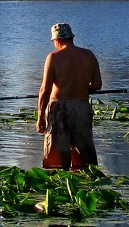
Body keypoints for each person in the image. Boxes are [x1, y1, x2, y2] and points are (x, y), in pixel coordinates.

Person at [37, 22, 102, 169]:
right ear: (71, 37)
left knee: (56, 158)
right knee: (85, 156)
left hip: (59, 108)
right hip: (82, 107)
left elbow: (44, 90)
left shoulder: (53, 57)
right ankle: (86, 181)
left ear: (57, 40)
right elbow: (97, 85)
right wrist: (79, 87)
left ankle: (58, 183)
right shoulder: (89, 55)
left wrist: (40, 117)